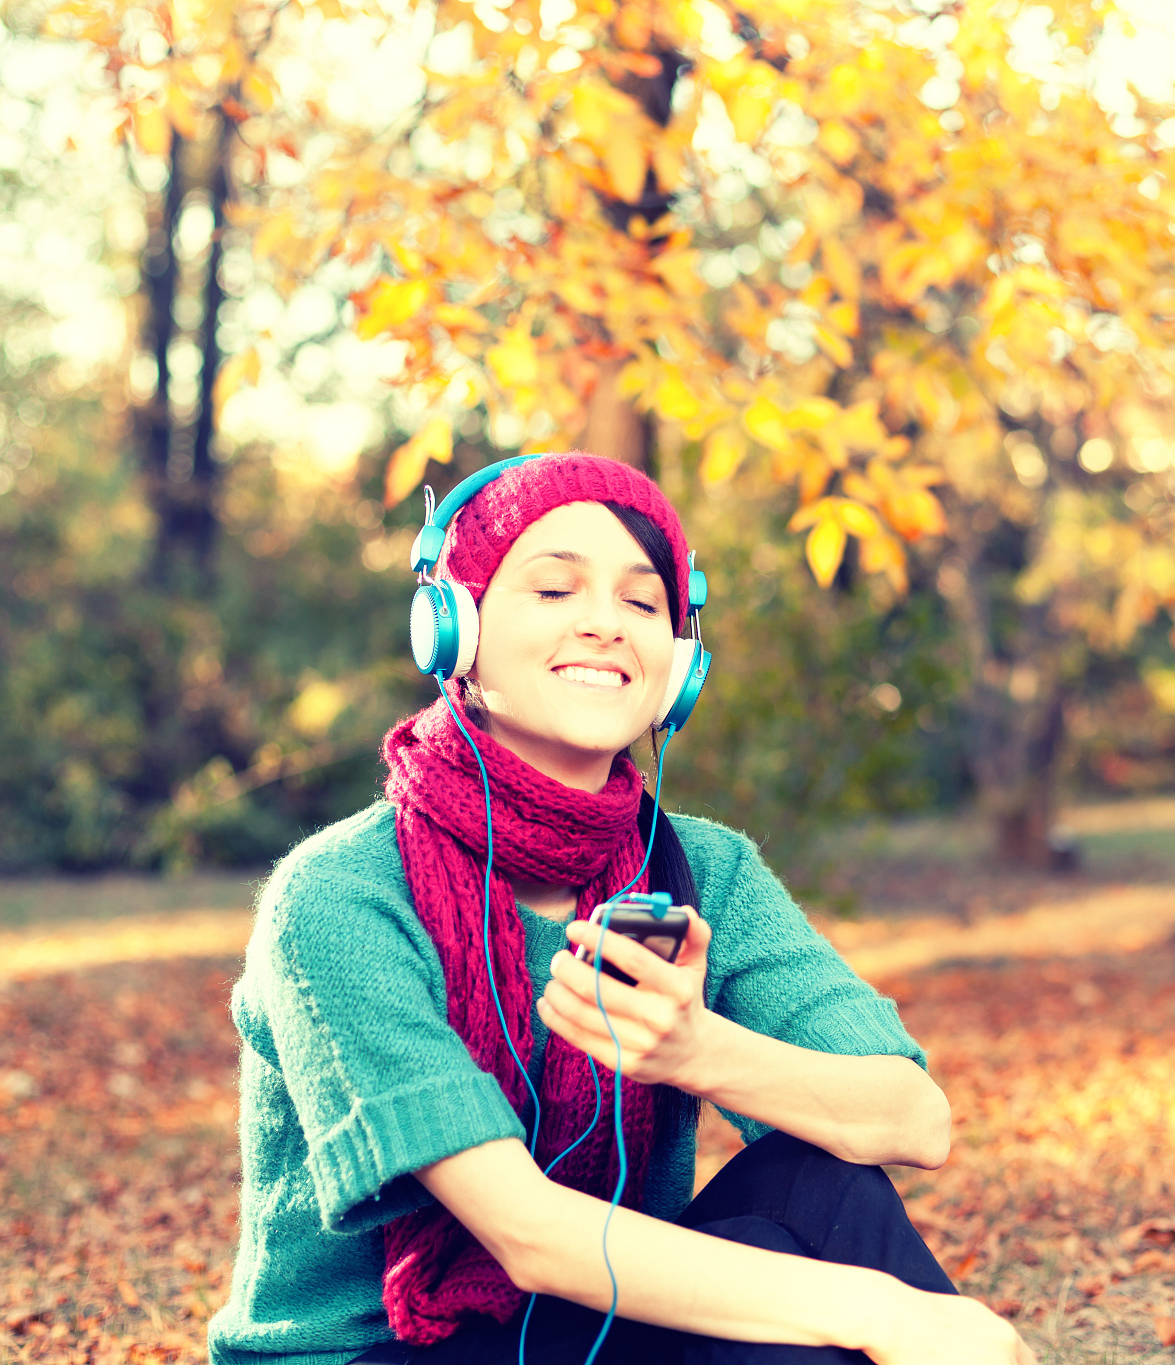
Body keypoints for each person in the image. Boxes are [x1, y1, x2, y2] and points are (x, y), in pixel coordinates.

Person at [207, 453, 1033, 1365]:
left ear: (678, 662)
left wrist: (697, 1051)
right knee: (799, 1302)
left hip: (586, 1327)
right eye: (555, 588)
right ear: (451, 627)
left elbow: (914, 1118)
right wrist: (880, 1310)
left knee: (828, 1190)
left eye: (643, 603)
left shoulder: (700, 866)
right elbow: (523, 1231)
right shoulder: (338, 895)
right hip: (382, 1349)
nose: (604, 624)